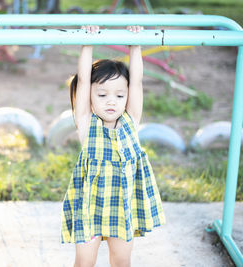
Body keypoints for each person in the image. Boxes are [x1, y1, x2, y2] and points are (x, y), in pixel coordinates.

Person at [60, 25, 166, 267]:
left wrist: (135, 43)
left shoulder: (131, 120)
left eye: (119, 95)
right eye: (102, 95)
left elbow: (137, 82)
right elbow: (85, 80)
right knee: (84, 261)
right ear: (89, 97)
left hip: (123, 207)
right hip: (90, 208)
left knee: (121, 260)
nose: (111, 101)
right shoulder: (86, 123)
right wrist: (87, 43)